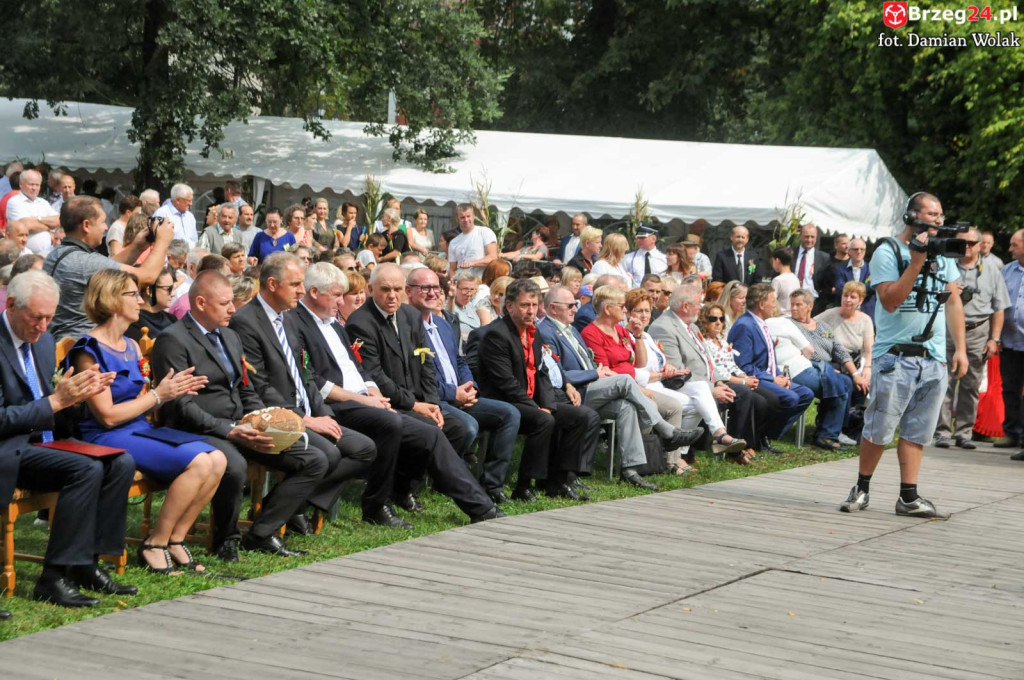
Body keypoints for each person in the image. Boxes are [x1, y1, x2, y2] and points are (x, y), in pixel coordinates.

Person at [290, 264, 499, 525]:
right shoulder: (305, 323)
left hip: (370, 399)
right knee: (396, 423)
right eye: (336, 295)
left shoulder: (334, 324)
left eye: (397, 290)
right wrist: (371, 400)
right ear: (314, 293)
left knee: (435, 429)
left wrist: (383, 397)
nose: (343, 301)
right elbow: (314, 378)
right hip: (335, 405)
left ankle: (474, 505)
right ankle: (377, 504)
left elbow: (363, 369)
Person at [68, 269, 226, 574]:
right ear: (112, 299)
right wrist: (158, 396)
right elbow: (108, 416)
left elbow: (143, 399)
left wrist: (169, 392)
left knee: (217, 459)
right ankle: (155, 543)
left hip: (138, 429)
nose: (141, 301)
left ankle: (176, 540)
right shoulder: (89, 350)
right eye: (133, 294)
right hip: (104, 435)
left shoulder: (131, 345)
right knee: (201, 463)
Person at [0, 270, 135, 610]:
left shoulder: (44, 342)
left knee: (120, 461)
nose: (43, 326)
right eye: (36, 317)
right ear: (12, 305)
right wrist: (55, 403)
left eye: (50, 317)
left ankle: (87, 562)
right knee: (84, 469)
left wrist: (79, 398)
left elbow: (55, 404)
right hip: (10, 447)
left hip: (45, 441)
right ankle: (54, 576)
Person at [229, 253, 379, 540]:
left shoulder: (287, 320)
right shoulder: (246, 322)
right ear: (272, 284)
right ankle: (264, 530)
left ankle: (288, 505)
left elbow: (306, 374)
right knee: (327, 454)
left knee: (364, 448)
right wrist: (305, 420)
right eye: (295, 284)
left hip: (305, 410)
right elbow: (259, 386)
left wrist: (324, 413)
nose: (301, 290)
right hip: (271, 415)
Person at [840, 191, 967, 519]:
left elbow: (953, 301)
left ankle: (908, 497)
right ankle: (862, 487)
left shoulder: (945, 254)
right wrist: (916, 261)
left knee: (917, 429)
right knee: (879, 427)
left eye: (941, 214)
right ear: (912, 216)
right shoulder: (888, 250)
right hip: (895, 357)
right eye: (932, 213)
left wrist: (960, 349)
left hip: (933, 356)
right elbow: (890, 301)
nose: (939, 219)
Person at [475, 278, 599, 500]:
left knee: (582, 416)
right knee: (543, 420)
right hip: (503, 401)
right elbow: (506, 384)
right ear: (509, 305)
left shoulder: (533, 332)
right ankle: (523, 485)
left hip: (529, 399)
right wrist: (536, 407)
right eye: (524, 305)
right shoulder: (497, 335)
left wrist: (549, 405)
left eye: (533, 305)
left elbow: (541, 373)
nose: (530, 311)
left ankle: (558, 481)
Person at [407, 267, 522, 502]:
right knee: (467, 426)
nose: (432, 294)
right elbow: (418, 378)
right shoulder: (408, 328)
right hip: (433, 398)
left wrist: (470, 385)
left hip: (460, 394)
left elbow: (459, 360)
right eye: (425, 288)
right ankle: (448, 480)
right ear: (409, 292)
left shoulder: (444, 325)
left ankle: (492, 484)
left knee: (509, 413)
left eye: (436, 289)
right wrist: (453, 392)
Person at [44, 196, 174, 340]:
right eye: (102, 222)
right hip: (85, 346)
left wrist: (137, 247)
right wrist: (163, 241)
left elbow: (107, 268)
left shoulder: (57, 254)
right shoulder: (84, 262)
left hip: (62, 340)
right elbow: (147, 277)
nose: (106, 227)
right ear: (86, 225)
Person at [932, 227, 1008, 449]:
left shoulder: (992, 270)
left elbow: (999, 308)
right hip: (947, 329)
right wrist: (950, 290)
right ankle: (942, 432)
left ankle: (964, 432)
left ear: (980, 245)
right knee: (944, 381)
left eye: (971, 243)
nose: (967, 247)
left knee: (971, 383)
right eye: (962, 243)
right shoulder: (944, 266)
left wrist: (994, 339)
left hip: (977, 330)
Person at [727, 283, 814, 444]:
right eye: (773, 301)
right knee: (790, 398)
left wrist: (780, 376)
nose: (775, 305)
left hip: (769, 376)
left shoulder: (761, 323)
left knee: (805, 394)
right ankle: (760, 437)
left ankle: (769, 434)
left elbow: (769, 361)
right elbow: (743, 366)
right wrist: (772, 379)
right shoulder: (745, 326)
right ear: (761, 304)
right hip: (753, 379)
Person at [785, 289, 867, 449]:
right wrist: (826, 368)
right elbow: (797, 352)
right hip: (807, 367)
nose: (794, 308)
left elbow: (839, 350)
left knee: (849, 382)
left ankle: (833, 428)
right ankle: (827, 434)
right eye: (792, 305)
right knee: (840, 384)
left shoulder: (823, 327)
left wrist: (856, 373)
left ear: (810, 306)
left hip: (827, 368)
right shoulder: (790, 325)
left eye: (798, 305)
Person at [695, 302, 769, 462]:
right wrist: (742, 383)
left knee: (763, 401)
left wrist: (745, 377)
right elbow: (717, 371)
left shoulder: (721, 341)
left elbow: (731, 364)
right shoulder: (703, 342)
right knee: (745, 394)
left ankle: (749, 442)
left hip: (734, 379)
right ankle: (737, 446)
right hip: (718, 381)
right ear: (704, 321)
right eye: (713, 318)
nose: (718, 323)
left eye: (721, 319)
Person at [999, 229, 1024, 456]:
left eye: (1014, 245)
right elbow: (996, 302)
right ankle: (1012, 433)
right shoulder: (1007, 270)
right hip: (1010, 341)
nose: (1010, 249)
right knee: (1010, 389)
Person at [815, 281, 875, 367]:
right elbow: (809, 325)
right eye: (845, 296)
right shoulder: (830, 314)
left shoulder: (866, 320)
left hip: (855, 364)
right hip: (830, 363)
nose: (848, 300)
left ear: (860, 301)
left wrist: (867, 368)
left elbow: (869, 351)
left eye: (853, 297)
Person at [6, 169, 60, 256]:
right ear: (21, 184)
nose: (34, 188)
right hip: (23, 255)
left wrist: (37, 219)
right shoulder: (14, 201)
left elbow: (59, 220)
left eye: (37, 185)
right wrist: (49, 225)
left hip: (46, 254)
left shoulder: (43, 202)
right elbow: (26, 226)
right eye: (31, 184)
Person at [792, 223, 834, 315]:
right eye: (806, 236)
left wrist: (822, 302)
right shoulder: (790, 253)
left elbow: (827, 283)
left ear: (816, 238)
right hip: (792, 301)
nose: (809, 240)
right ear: (800, 236)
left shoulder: (824, 257)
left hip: (814, 304)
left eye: (812, 237)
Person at [126, 267, 177, 342]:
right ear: (149, 291)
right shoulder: (134, 323)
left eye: (173, 288)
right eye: (168, 289)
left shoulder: (171, 318)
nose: (173, 294)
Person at [447, 203, 497, 279]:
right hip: (461, 284)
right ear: (457, 219)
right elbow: (452, 269)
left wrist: (472, 263)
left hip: (481, 282)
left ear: (474, 216)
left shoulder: (485, 232)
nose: (466, 220)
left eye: (468, 216)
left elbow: (493, 257)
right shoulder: (453, 242)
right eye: (462, 217)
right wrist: (453, 281)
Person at [831, 238, 875, 319]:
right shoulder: (840, 269)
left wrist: (851, 289)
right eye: (855, 249)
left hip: (867, 312)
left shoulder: (872, 269)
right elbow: (840, 288)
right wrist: (862, 288)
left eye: (862, 249)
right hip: (845, 313)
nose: (859, 252)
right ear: (849, 251)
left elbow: (873, 287)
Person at [770, 247, 800, 315]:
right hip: (793, 317)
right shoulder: (795, 278)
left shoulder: (777, 280)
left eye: (773, 261)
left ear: (777, 260)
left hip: (780, 317)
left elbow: (772, 301)